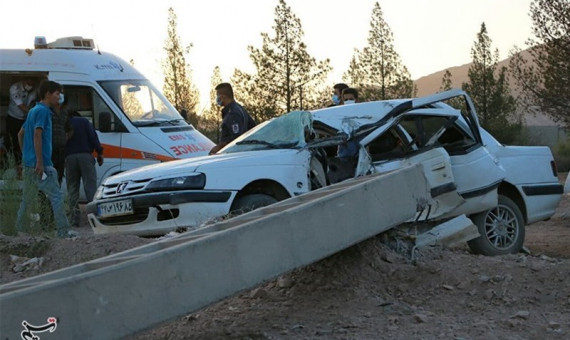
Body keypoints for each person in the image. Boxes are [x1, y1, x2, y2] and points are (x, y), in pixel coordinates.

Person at [16, 80, 74, 238]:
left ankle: (20, 230)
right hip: (42, 165)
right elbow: (37, 134)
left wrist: (26, 156)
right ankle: (63, 232)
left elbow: (20, 134)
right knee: (56, 196)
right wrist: (40, 161)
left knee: (27, 199)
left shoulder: (33, 111)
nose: (59, 96)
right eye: (57, 93)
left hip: (29, 164)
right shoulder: (43, 112)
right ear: (48, 94)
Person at [65, 111, 104, 228]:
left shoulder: (65, 123)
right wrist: (100, 153)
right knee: (90, 187)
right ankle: (95, 218)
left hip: (70, 158)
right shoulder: (84, 122)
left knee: (72, 189)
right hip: (86, 156)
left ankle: (74, 220)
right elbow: (93, 137)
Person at [208, 82, 256, 155]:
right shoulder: (239, 109)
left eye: (217, 95)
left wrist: (219, 148)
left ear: (223, 96)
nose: (217, 98)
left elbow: (236, 138)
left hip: (232, 154)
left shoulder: (233, 113)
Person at [7, 79, 37, 160]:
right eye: (29, 83)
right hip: (13, 118)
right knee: (12, 142)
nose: (31, 85)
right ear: (24, 80)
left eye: (33, 84)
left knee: (25, 141)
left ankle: (22, 160)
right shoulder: (15, 88)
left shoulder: (35, 89)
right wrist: (35, 113)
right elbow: (20, 105)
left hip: (26, 119)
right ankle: (12, 161)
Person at [51, 95, 72, 184]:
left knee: (59, 174)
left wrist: (64, 139)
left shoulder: (64, 113)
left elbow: (70, 130)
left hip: (61, 149)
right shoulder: (48, 112)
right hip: (49, 148)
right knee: (49, 173)